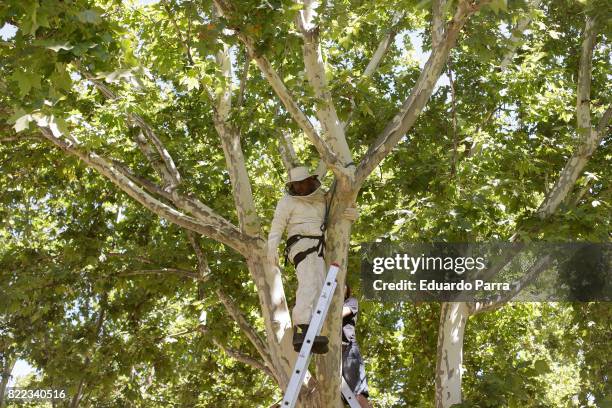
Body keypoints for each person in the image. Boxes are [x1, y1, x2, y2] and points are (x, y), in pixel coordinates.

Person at [267, 165, 359, 354]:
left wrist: (353, 213)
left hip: (319, 248)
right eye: (296, 185)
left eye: (303, 183)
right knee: (309, 283)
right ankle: (302, 327)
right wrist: (272, 247)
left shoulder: (322, 199)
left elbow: (338, 210)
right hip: (301, 245)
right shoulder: (287, 202)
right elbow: (277, 225)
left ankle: (313, 330)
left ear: (310, 181)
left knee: (319, 286)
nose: (300, 188)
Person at [342, 284, 371, 408]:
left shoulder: (351, 302)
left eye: (343, 286)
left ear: (347, 291)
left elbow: (339, 314)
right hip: (334, 355)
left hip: (349, 351)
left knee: (358, 395)